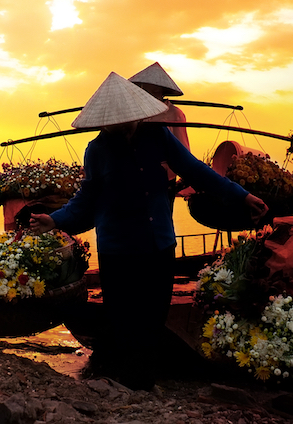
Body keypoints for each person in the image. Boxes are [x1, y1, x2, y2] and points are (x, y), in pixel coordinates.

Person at [30, 72, 268, 391]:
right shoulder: (97, 150)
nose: (124, 126)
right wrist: (55, 220)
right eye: (116, 122)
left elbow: (196, 170)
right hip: (118, 250)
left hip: (159, 245)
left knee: (154, 317)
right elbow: (85, 200)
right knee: (124, 320)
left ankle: (142, 382)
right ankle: (125, 381)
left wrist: (242, 196)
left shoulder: (158, 137)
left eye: (128, 120)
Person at [129, 62, 190, 209]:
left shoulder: (174, 114)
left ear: (162, 92)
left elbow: (183, 151)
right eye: (146, 91)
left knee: (162, 215)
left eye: (154, 91)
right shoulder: (135, 113)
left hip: (164, 178)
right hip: (135, 175)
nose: (149, 95)